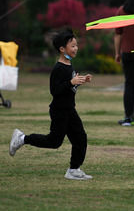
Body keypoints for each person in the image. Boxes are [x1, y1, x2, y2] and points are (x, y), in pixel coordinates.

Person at [9, 28, 93, 180]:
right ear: (62, 49)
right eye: (72, 46)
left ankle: (74, 170)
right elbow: (55, 91)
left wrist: (80, 81)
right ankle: (22, 139)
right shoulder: (58, 68)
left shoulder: (69, 64)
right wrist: (71, 82)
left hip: (69, 109)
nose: (76, 48)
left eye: (76, 45)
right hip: (59, 110)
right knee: (54, 142)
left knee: (80, 138)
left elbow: (68, 88)